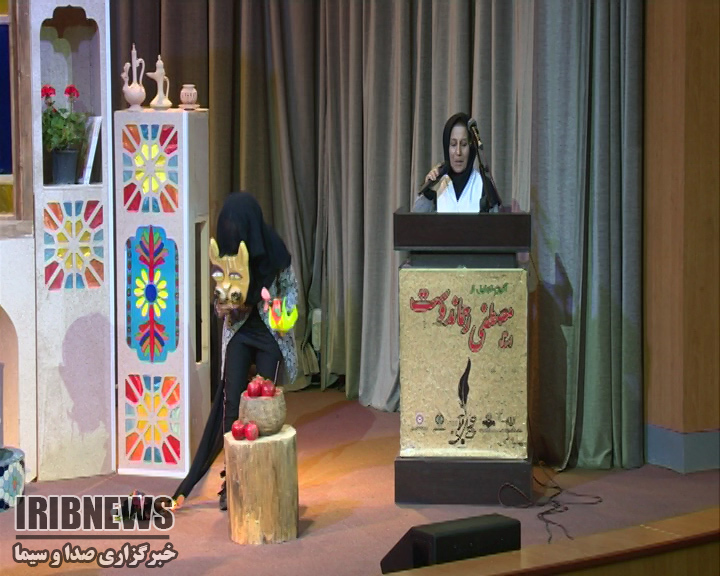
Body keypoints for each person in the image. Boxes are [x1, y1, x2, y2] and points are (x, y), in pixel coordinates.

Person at [172, 191, 299, 511]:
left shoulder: (274, 251)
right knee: (231, 407)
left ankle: (262, 476)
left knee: (263, 407)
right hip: (240, 331)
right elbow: (220, 300)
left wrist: (277, 307)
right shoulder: (227, 258)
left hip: (270, 333)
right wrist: (225, 305)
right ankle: (233, 479)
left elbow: (292, 295)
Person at [413, 112, 501, 213]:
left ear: (471, 147)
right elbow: (415, 220)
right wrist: (428, 192)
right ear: (447, 147)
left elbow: (496, 222)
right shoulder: (437, 184)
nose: (458, 152)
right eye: (453, 144)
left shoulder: (483, 186)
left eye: (463, 144)